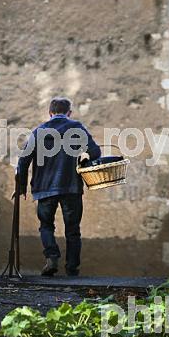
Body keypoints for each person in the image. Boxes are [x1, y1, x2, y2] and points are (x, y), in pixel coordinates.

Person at [17, 97, 101, 277]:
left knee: (46, 226)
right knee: (73, 230)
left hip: (45, 188)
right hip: (71, 187)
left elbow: (23, 161)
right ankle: (72, 269)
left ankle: (52, 257)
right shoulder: (76, 128)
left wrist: (21, 187)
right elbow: (95, 152)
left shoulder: (39, 131)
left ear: (50, 113)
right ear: (69, 113)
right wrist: (83, 156)